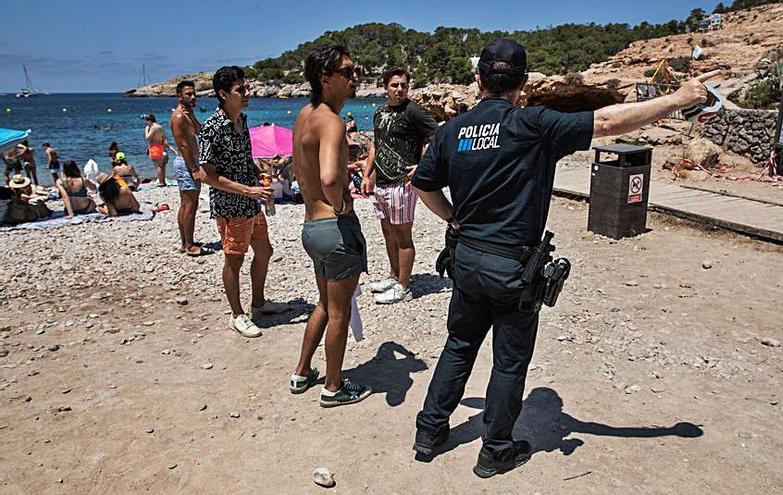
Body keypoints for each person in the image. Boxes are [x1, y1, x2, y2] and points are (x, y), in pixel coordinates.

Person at [410, 39, 718, 477]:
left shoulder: (451, 131)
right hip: (513, 268)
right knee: (509, 361)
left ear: (478, 80)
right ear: (523, 84)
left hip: (467, 259)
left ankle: (429, 431)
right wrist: (680, 98)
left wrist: (454, 219)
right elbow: (609, 121)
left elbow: (423, 185)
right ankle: (495, 449)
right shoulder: (533, 124)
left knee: (459, 345)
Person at [289, 44, 371, 408]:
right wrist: (341, 203)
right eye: (348, 72)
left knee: (324, 303)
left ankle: (302, 371)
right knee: (338, 310)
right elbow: (327, 176)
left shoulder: (304, 115)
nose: (356, 78)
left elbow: (302, 168)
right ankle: (333, 387)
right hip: (335, 228)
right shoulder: (333, 121)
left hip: (311, 228)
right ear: (325, 77)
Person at [196, 66, 289, 338]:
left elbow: (242, 157)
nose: (247, 93)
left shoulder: (242, 119)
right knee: (234, 261)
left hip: (250, 200)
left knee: (264, 251)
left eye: (246, 88)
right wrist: (248, 191)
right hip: (230, 204)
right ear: (223, 94)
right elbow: (208, 176)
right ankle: (237, 315)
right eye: (241, 90)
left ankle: (258, 303)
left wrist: (256, 173)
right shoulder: (212, 128)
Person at [362, 67, 438, 304]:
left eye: (403, 85)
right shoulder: (380, 113)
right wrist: (367, 174)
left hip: (402, 184)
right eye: (395, 85)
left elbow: (438, 136)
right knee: (387, 232)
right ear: (385, 87)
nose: (400, 89)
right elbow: (377, 144)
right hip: (382, 183)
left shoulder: (413, 111)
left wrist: (422, 166)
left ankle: (404, 287)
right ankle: (395, 276)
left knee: (403, 236)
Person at [170, 79, 209, 256]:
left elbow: (199, 131)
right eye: (189, 94)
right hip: (186, 163)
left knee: (186, 204)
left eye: (194, 94)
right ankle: (189, 245)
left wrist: (192, 117)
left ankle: (185, 241)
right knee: (190, 205)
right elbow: (184, 145)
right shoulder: (178, 116)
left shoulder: (187, 114)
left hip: (188, 163)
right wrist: (194, 169)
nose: (193, 97)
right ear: (179, 96)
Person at [145, 114, 177, 187]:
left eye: (147, 121)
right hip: (160, 147)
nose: (147, 124)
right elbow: (163, 138)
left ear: (149, 120)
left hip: (154, 148)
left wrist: (146, 130)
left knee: (158, 166)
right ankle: (163, 181)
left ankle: (161, 182)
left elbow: (148, 138)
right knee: (162, 166)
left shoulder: (153, 127)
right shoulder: (160, 127)